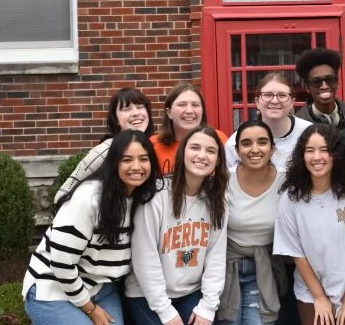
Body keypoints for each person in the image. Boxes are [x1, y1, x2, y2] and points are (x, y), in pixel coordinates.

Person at [23, 130, 161, 325]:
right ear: (114, 163)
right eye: (127, 159)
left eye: (144, 159)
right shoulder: (89, 198)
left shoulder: (144, 199)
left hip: (100, 288)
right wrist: (90, 309)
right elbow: (62, 263)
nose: (136, 167)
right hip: (53, 287)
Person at [125, 126, 229, 325]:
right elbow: (144, 258)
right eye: (195, 148)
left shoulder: (218, 202)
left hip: (190, 292)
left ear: (218, 160)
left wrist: (208, 307)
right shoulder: (156, 195)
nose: (202, 155)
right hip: (146, 296)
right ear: (182, 153)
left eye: (211, 151)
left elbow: (215, 258)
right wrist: (165, 311)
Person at [274, 124, 345, 325]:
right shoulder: (291, 198)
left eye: (325, 150)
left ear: (337, 154)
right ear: (302, 156)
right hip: (311, 291)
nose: (317, 157)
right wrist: (319, 297)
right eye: (310, 150)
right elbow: (296, 253)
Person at [216, 120, 287, 325]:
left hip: (261, 269)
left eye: (262, 142)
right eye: (246, 143)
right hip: (224, 269)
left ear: (272, 148)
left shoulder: (286, 181)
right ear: (237, 150)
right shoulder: (222, 181)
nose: (255, 149)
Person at [55, 87, 156, 203]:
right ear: (116, 120)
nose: (136, 113)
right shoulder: (105, 150)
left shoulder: (154, 147)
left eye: (140, 107)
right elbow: (64, 193)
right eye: (126, 109)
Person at [225, 72, 312, 170]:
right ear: (257, 102)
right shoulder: (236, 141)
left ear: (292, 102)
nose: (274, 101)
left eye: (282, 95)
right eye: (267, 95)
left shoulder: (309, 132)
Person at [151, 82, 228, 175]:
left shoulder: (220, 138)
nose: (189, 111)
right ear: (169, 112)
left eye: (195, 105)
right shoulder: (153, 144)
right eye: (182, 104)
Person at [294, 48, 345, 127]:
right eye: (316, 82)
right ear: (307, 87)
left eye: (330, 79)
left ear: (337, 82)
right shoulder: (299, 123)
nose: (324, 86)